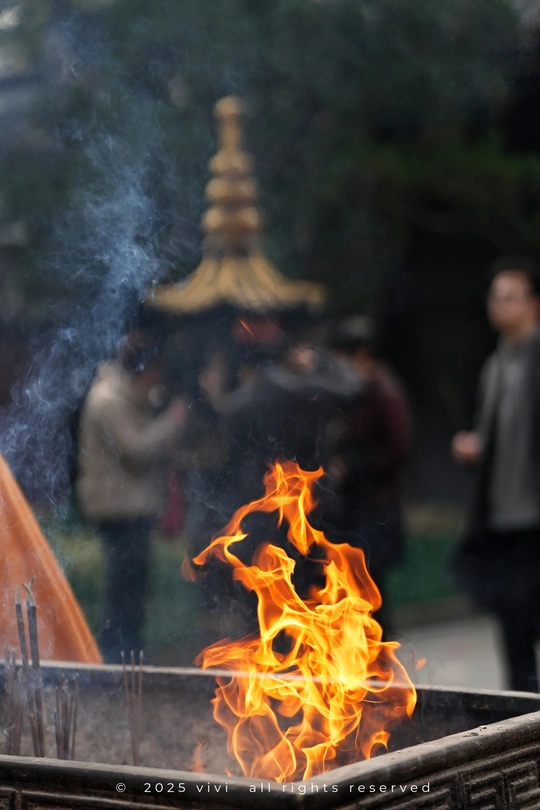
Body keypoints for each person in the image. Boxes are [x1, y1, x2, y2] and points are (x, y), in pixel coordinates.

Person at [451, 256, 540, 692]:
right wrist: (473, 446)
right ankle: (526, 718)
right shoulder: (495, 366)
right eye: (495, 296)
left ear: (534, 303)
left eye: (510, 296)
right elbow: (491, 435)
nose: (498, 304)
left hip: (536, 518)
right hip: (503, 520)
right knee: (513, 626)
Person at [77, 330, 188, 663]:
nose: (158, 379)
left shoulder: (129, 397)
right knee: (123, 590)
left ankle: (128, 653)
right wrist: (172, 420)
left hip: (132, 506)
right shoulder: (109, 400)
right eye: (154, 371)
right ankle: (117, 657)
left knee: (133, 588)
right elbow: (136, 450)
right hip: (118, 508)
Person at [329, 316, 413, 638]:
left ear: (361, 355)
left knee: (373, 595)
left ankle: (380, 659)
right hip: (357, 510)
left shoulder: (383, 391)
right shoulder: (355, 392)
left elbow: (398, 449)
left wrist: (352, 466)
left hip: (377, 511)